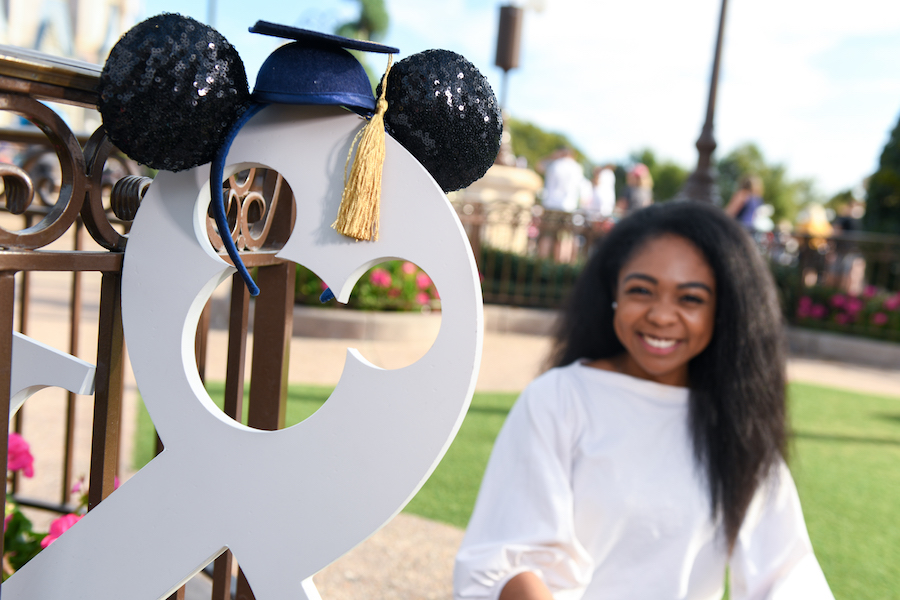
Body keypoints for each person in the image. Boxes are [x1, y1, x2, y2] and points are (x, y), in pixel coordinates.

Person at [454, 202, 833, 600]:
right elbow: (504, 560)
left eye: (691, 299)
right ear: (612, 293)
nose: (662, 316)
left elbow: (787, 576)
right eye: (641, 290)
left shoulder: (737, 426)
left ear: (723, 312)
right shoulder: (562, 399)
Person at [541, 147, 589, 213]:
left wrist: (551, 157)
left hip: (550, 204)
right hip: (568, 206)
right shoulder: (576, 167)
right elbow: (583, 185)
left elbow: (539, 168)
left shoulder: (554, 165)